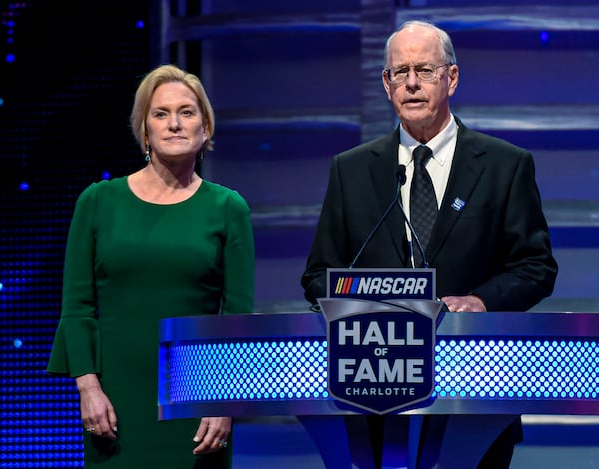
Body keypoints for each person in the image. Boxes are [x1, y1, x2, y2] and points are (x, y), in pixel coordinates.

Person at [301, 20, 558, 469]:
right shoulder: (352, 170)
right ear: (385, 84)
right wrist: (370, 305)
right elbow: (319, 274)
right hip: (371, 393)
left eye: (425, 70)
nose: (412, 83)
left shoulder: (504, 165)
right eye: (400, 73)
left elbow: (535, 267)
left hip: (475, 389)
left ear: (451, 78)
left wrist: (480, 300)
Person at [46, 64, 255, 468]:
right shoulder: (98, 202)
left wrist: (224, 401)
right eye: (160, 114)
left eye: (187, 112)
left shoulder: (228, 208)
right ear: (144, 130)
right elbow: (76, 306)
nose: (174, 123)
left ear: (205, 128)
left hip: (198, 400)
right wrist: (88, 387)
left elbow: (237, 315)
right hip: (114, 403)